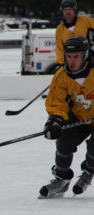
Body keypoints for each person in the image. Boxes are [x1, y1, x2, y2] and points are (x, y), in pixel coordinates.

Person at [39, 36, 94, 198]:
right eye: (68, 56)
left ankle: (89, 170)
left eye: (76, 56)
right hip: (79, 117)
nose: (71, 61)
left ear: (84, 55)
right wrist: (55, 120)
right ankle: (62, 179)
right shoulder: (62, 75)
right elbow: (57, 103)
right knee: (63, 142)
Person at [56, 0, 94, 66]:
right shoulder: (60, 29)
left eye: (70, 9)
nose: (68, 12)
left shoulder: (85, 21)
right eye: (65, 10)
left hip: (88, 59)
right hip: (71, 62)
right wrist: (61, 63)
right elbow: (59, 48)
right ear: (62, 12)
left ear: (75, 10)